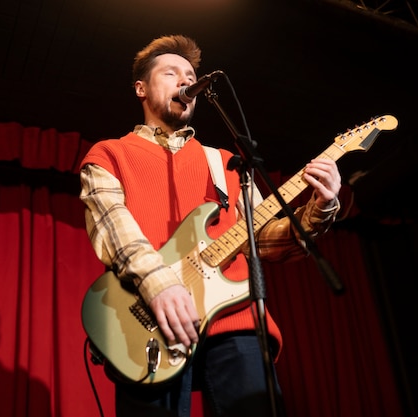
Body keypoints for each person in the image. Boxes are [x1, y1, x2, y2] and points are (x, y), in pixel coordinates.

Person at [79, 34, 342, 417]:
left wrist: (322, 206)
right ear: (141, 88)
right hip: (149, 317)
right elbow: (113, 230)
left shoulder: (225, 163)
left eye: (190, 75)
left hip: (235, 320)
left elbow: (267, 242)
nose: (185, 82)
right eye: (171, 73)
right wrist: (160, 284)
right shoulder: (109, 154)